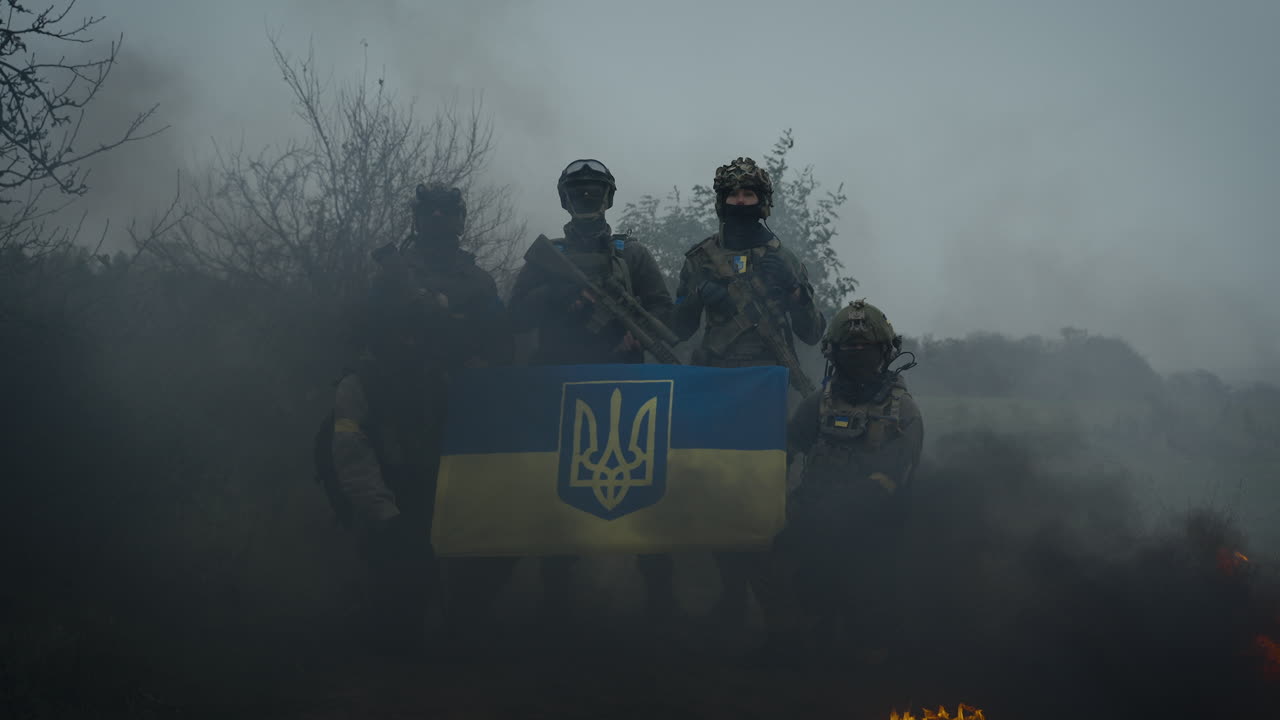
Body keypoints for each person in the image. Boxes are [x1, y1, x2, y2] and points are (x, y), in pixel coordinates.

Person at [331, 183, 512, 655]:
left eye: (445, 213)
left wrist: (468, 351)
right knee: (398, 544)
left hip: (459, 414)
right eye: (429, 213)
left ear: (459, 219)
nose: (437, 221)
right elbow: (362, 328)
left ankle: (466, 624)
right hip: (399, 417)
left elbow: (500, 342)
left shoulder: (478, 282)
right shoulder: (391, 277)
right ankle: (401, 625)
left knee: (484, 542)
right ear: (418, 218)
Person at [507, 158, 678, 622]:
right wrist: (560, 296)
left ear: (608, 197)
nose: (587, 197)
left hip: (624, 384)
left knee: (643, 491)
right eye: (578, 191)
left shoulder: (631, 254)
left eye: (594, 190)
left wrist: (638, 335)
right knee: (557, 494)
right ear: (565, 199)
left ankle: (660, 605)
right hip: (560, 386)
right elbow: (514, 317)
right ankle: (555, 602)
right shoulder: (548, 255)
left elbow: (662, 309)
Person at [669, 156, 826, 633]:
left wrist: (795, 293)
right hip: (717, 390)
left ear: (763, 201)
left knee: (766, 498)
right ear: (722, 201)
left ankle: (780, 610)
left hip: (770, 392)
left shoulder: (784, 257)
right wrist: (698, 297)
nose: (741, 201)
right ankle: (732, 598)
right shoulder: (699, 259)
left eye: (749, 193)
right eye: (733, 194)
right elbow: (678, 328)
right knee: (718, 495)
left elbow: (814, 332)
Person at [781, 299, 922, 663]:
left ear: (885, 352)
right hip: (814, 517)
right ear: (833, 351)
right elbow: (785, 450)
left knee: (868, 604)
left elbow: (892, 478)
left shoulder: (902, 410)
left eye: (865, 348)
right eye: (849, 348)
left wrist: (838, 510)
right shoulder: (818, 403)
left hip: (873, 526)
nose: (856, 355)